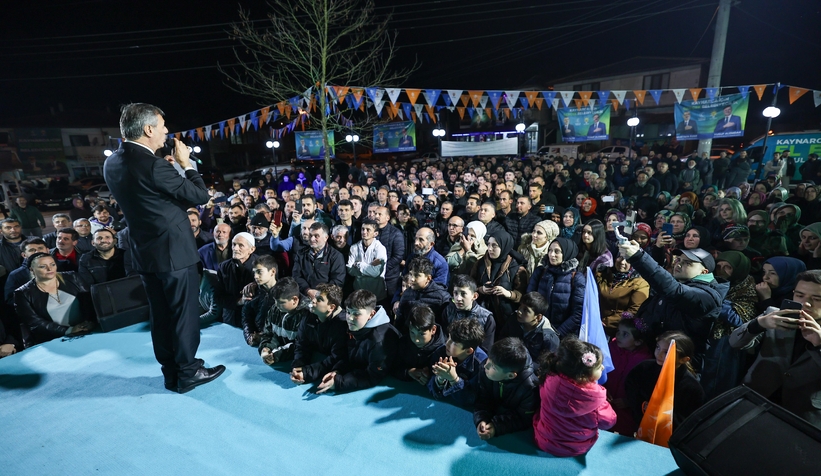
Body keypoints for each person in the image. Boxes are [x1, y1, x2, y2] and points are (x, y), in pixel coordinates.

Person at [103, 103, 224, 393]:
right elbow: (197, 195)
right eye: (162, 125)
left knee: (160, 315)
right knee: (183, 314)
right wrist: (187, 164)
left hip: (145, 254)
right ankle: (189, 371)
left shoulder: (113, 163)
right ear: (148, 129)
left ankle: (171, 372)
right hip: (174, 254)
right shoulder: (155, 165)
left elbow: (152, 201)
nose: (166, 131)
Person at [730, 269, 821, 426]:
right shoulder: (775, 315)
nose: (806, 303)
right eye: (799, 295)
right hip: (755, 400)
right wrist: (758, 324)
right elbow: (734, 342)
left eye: (817, 298)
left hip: (802, 416)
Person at [619, 240, 727, 371]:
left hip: (679, 367)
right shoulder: (676, 284)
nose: (679, 264)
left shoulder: (708, 296)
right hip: (655, 357)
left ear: (704, 272)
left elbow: (676, 291)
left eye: (687, 263)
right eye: (678, 260)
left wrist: (639, 256)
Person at [533, 337, 616, 456]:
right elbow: (609, 422)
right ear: (583, 375)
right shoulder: (595, 400)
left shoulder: (549, 378)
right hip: (576, 447)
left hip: (544, 440)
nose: (603, 368)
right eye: (598, 367)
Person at [315, 289, 400, 394]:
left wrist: (338, 382)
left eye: (356, 314)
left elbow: (373, 376)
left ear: (371, 315)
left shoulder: (379, 341)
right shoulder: (356, 326)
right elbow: (351, 356)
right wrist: (337, 371)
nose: (350, 318)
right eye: (348, 312)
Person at [625, 331, 705, 432]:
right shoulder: (644, 368)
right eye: (658, 347)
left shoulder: (691, 387)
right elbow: (631, 389)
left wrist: (659, 412)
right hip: (638, 427)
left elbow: (687, 420)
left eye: (666, 352)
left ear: (684, 359)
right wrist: (641, 406)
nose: (659, 354)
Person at [14, 253, 96, 347]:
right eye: (43, 266)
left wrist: (89, 322)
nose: (49, 269)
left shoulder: (72, 277)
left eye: (52, 264)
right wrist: (68, 330)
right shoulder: (23, 293)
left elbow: (90, 302)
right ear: (32, 270)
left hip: (87, 332)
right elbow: (35, 322)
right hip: (55, 340)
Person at [473, 337, 539, 440]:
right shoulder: (486, 369)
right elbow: (482, 397)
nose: (486, 366)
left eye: (493, 367)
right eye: (488, 359)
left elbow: (524, 418)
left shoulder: (530, 387)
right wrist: (481, 419)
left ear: (510, 376)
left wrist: (497, 426)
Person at [290, 283, 348, 385]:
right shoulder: (309, 315)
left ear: (331, 307)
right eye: (315, 297)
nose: (313, 301)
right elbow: (301, 344)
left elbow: (336, 358)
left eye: (319, 299)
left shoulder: (342, 325)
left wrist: (307, 373)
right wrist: (298, 366)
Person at [527, 237, 586, 337]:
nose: (552, 255)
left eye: (557, 251)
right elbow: (529, 301)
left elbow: (578, 313)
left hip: (563, 336)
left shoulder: (576, 278)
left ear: (567, 253)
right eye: (550, 250)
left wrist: (556, 334)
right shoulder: (541, 272)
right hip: (537, 330)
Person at [604, 316, 653, 435]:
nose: (619, 336)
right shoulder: (611, 347)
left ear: (638, 341)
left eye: (625, 334)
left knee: (623, 437)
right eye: (618, 332)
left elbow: (645, 388)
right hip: (606, 402)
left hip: (627, 411)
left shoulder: (645, 359)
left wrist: (628, 401)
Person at [472, 231, 527, 335]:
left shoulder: (516, 268)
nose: (490, 249)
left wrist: (508, 293)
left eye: (494, 246)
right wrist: (481, 289)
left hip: (505, 317)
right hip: (482, 314)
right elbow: (470, 283)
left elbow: (522, 295)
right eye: (488, 244)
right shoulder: (480, 263)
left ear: (504, 246)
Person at [428, 318, 488, 405]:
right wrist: (440, 378)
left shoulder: (481, 364)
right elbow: (430, 385)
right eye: (449, 337)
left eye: (454, 343)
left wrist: (454, 379)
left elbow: (471, 398)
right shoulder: (441, 352)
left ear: (468, 351)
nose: (447, 343)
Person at [258, 277, 312, 365]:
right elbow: (268, 334)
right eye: (275, 301)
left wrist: (277, 355)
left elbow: (303, 346)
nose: (276, 305)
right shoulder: (274, 309)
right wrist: (266, 348)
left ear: (295, 300)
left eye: (281, 302)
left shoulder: (307, 315)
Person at [596, 256, 650, 337]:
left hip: (615, 331)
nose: (622, 262)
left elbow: (633, 311)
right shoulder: (603, 274)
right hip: (592, 322)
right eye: (620, 257)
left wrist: (606, 322)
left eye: (628, 260)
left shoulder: (640, 284)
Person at [503, 291, 560, 367]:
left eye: (526, 310)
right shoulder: (513, 319)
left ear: (538, 317)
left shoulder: (549, 338)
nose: (519, 311)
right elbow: (502, 340)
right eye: (520, 306)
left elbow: (546, 365)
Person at [392, 304, 445, 385]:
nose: (416, 339)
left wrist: (432, 376)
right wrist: (408, 372)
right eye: (412, 332)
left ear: (433, 330)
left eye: (421, 334)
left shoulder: (444, 350)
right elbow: (393, 366)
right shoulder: (403, 342)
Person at [395, 257, 451, 331]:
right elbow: (399, 320)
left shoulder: (442, 297)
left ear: (428, 278)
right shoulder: (406, 294)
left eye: (417, 275)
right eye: (411, 274)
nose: (412, 279)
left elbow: (446, 327)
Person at [442, 274, 496, 351]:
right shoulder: (448, 311)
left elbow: (486, 348)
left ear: (474, 296)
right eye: (455, 293)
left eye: (463, 294)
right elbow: (445, 339)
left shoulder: (487, 318)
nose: (458, 298)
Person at [291, 222, 346, 298]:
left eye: (316, 236)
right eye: (310, 235)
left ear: (326, 237)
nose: (312, 239)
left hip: (327, 298)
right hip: (305, 296)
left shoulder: (336, 256)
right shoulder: (301, 254)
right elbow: (296, 275)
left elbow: (338, 280)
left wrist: (321, 294)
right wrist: (308, 290)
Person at [240, 254, 278, 347]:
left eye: (259, 272)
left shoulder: (285, 292)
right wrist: (249, 336)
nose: (256, 276)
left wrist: (266, 336)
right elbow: (246, 317)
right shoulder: (252, 292)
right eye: (254, 273)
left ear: (272, 272)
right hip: (257, 341)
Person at [346, 218, 387, 301]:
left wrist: (358, 265)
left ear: (375, 233)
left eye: (368, 230)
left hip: (376, 293)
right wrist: (369, 268)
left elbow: (376, 272)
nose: (364, 232)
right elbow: (350, 270)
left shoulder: (380, 249)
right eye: (363, 229)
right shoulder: (354, 247)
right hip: (359, 292)